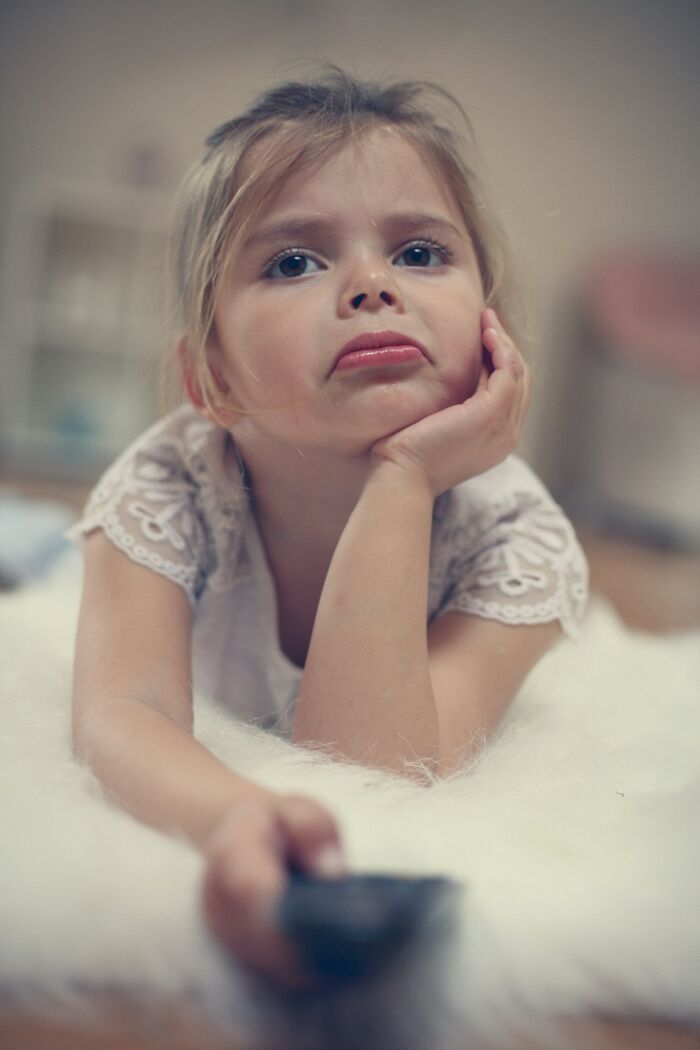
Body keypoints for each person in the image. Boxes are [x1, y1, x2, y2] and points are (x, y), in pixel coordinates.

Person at [69, 66, 588, 989]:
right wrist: (234, 816)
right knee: (47, 568)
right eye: (294, 262)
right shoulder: (171, 477)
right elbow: (125, 711)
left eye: (420, 253)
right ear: (212, 381)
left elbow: (372, 766)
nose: (370, 285)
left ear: (492, 333)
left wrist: (406, 478)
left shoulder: (517, 539)